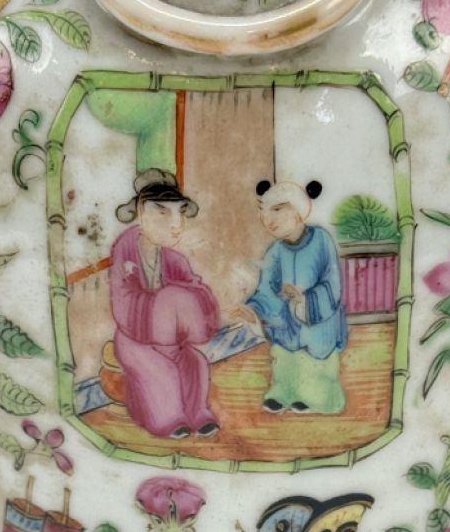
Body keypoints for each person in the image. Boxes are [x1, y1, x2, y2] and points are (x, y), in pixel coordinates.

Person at [109, 169, 220, 439]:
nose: (175, 224)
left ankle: (198, 414)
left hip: (171, 341)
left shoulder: (174, 261)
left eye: (179, 213)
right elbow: (122, 300)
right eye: (162, 213)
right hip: (134, 339)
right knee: (161, 371)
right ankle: (169, 420)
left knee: (195, 363)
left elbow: (197, 292)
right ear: (141, 212)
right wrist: (165, 305)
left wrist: (184, 303)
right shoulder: (125, 251)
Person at [234, 179, 348, 414]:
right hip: (286, 322)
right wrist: (254, 311)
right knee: (284, 354)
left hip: (318, 320)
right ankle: (283, 392)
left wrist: (304, 300)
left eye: (277, 209)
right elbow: (266, 290)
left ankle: (315, 397)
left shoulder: (321, 240)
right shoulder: (275, 251)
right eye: (264, 210)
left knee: (314, 359)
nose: (268, 218)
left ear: (298, 212)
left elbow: (332, 283)